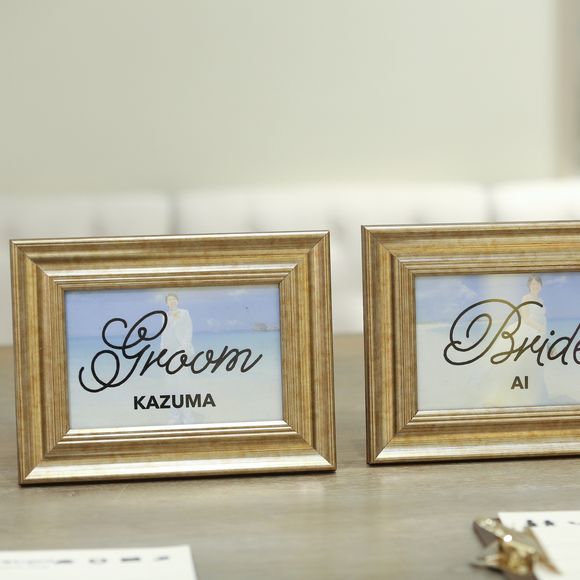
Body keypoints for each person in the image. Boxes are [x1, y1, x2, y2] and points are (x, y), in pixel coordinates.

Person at [160, 293, 194, 358]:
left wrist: (185, 344)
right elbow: (164, 332)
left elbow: (189, 329)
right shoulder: (164, 315)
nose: (172, 301)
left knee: (185, 363)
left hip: (182, 344)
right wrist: (162, 347)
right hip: (169, 346)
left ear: (177, 301)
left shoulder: (184, 312)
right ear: (167, 303)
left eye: (174, 299)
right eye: (169, 300)